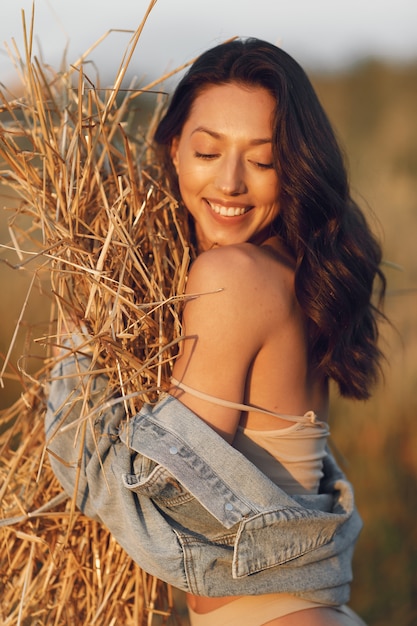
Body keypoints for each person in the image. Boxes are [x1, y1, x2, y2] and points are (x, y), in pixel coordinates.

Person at [45, 38, 385, 625]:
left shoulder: (232, 276)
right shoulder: (287, 273)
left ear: (294, 170)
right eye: (208, 151)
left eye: (261, 161)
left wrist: (76, 345)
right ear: (174, 149)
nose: (230, 183)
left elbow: (154, 498)